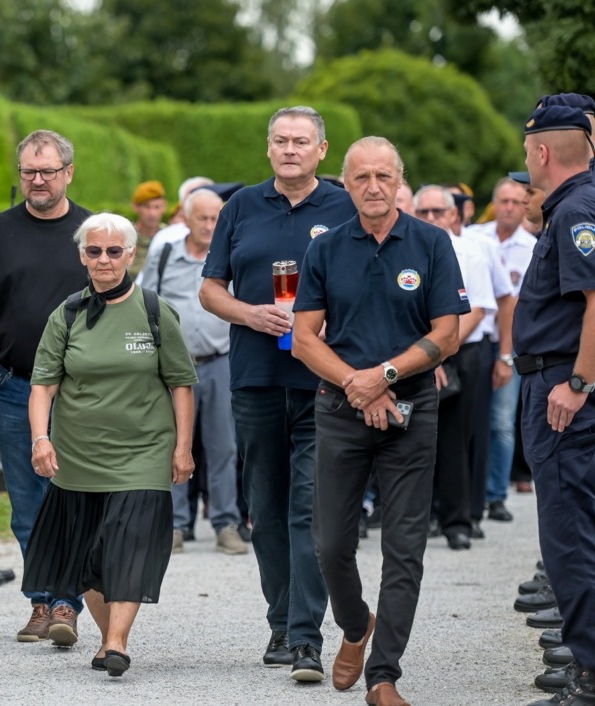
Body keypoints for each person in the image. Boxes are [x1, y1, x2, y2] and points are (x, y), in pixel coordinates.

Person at [292, 136, 468, 706]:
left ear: (399, 181)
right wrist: (358, 383)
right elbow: (302, 339)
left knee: (405, 547)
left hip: (412, 411)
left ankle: (383, 675)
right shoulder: (323, 248)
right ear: (345, 183)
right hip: (341, 407)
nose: (373, 187)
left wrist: (385, 376)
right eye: (361, 177)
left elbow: (447, 334)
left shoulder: (432, 243)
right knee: (330, 543)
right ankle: (354, 624)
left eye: (383, 177)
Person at [199, 106, 357, 680]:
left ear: (322, 150)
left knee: (310, 510)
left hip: (323, 381)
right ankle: (280, 619)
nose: (290, 149)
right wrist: (249, 313)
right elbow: (210, 289)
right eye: (281, 141)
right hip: (256, 375)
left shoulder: (344, 207)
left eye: (301, 141)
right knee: (264, 511)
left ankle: (306, 636)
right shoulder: (240, 205)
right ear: (269, 149)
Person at [23, 212, 197, 675]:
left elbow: (181, 383)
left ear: (130, 254)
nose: (104, 259)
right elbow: (43, 385)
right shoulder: (67, 314)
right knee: (89, 556)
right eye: (94, 251)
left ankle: (117, 642)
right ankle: (106, 639)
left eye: (113, 251)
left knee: (129, 543)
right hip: (79, 457)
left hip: (143, 453)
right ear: (82, 256)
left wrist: (183, 447)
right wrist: (41, 439)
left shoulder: (156, 310)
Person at [0, 130, 90, 642]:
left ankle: (67, 605)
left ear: (68, 172)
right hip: (11, 385)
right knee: (28, 503)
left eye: (48, 171)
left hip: (76, 393)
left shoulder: (91, 232)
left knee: (70, 497)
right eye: (29, 171)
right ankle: (42, 600)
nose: (38, 180)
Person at [516, 105, 595, 706]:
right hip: (571, 380)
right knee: (585, 526)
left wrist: (579, 382)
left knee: (571, 534)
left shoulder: (579, 207)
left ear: (541, 153)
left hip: (564, 388)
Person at [138, 188, 245, 555]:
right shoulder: (166, 254)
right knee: (172, 443)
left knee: (224, 446)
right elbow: (143, 301)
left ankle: (226, 523)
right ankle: (175, 525)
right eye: (203, 218)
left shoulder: (231, 256)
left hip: (220, 362)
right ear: (186, 218)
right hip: (173, 368)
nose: (210, 225)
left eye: (216, 218)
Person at [414, 185, 497, 550]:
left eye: (437, 212)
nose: (431, 218)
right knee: (414, 440)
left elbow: (477, 309)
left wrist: (440, 354)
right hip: (413, 356)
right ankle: (423, 516)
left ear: (453, 215)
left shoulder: (470, 251)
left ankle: (457, 521)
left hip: (459, 352)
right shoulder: (407, 248)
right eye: (424, 212)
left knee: (456, 440)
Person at [465, 177, 537, 524]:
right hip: (478, 341)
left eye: (515, 201)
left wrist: (507, 356)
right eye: (503, 201)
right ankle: (472, 494)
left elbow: (515, 302)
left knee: (502, 422)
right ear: (495, 203)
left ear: (524, 205)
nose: (509, 207)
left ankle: (496, 495)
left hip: (511, 343)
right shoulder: (477, 238)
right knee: (472, 420)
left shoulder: (532, 246)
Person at [129, 180, 167, 275]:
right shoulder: (127, 236)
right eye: (147, 207)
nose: (152, 214)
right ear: (135, 207)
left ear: (164, 207)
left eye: (157, 207)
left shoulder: (169, 236)